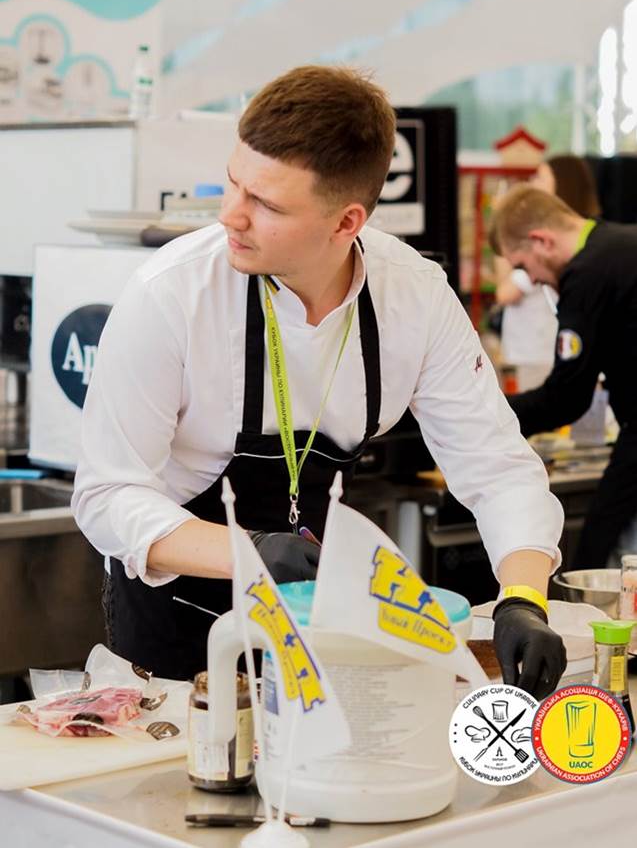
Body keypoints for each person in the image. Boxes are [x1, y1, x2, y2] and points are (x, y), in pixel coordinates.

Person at [72, 65, 566, 697]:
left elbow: (497, 468)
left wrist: (523, 598)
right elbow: (107, 494)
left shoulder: (412, 297)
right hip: (178, 626)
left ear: (346, 222)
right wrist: (250, 553)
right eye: (234, 183)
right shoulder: (170, 295)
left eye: (266, 204)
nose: (230, 216)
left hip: (315, 619)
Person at [490, 183, 637, 571]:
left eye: (523, 266)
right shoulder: (620, 242)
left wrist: (486, 415)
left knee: (595, 561)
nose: (533, 280)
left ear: (541, 241)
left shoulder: (587, 275)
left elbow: (566, 398)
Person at [495, 155, 600, 392]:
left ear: (561, 184)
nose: (532, 184)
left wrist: (505, 226)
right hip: (540, 348)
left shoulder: (547, 246)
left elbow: (505, 293)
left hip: (541, 349)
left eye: (540, 178)